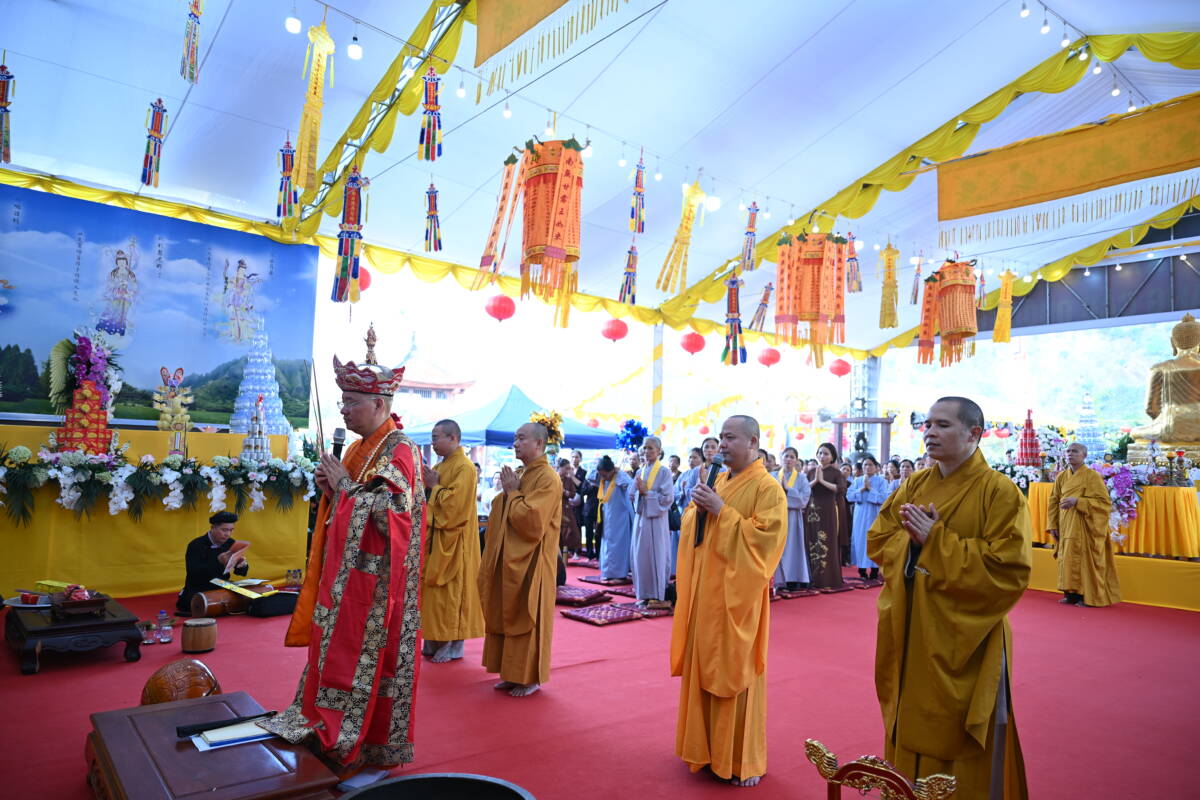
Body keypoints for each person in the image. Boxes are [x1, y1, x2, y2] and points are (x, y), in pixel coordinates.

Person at [264, 341, 425, 783]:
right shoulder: (358, 449)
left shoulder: (400, 450)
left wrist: (345, 489)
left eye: (352, 402)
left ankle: (366, 752)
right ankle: (329, 732)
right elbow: (349, 504)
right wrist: (332, 490)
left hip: (378, 591)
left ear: (379, 404)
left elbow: (394, 515)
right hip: (346, 583)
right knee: (334, 657)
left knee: (369, 665)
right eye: (342, 402)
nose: (344, 411)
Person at [867, 396, 1031, 798]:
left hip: (966, 638)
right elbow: (879, 539)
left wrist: (935, 541)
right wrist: (914, 544)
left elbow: (1009, 570)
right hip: (913, 627)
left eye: (942, 425)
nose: (930, 432)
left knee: (957, 730)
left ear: (974, 434)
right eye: (927, 424)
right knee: (909, 714)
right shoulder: (915, 485)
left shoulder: (1000, 492)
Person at [671, 415, 786, 788]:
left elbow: (765, 544)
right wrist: (697, 510)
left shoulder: (768, 489)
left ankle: (739, 759)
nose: (722, 444)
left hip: (737, 599)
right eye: (720, 437)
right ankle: (705, 751)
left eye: (730, 437)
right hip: (706, 595)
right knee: (704, 667)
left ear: (753, 442)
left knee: (735, 671)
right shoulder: (718, 479)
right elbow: (694, 529)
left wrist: (722, 511)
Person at [478, 421, 562, 698]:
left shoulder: (548, 478)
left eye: (521, 438)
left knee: (528, 615)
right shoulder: (520, 474)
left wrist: (513, 493)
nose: (515, 443)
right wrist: (508, 493)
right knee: (506, 611)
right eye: (515, 438)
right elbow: (502, 510)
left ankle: (529, 677)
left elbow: (532, 522)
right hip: (510, 558)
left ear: (539, 443)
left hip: (533, 561)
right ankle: (509, 672)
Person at [420, 419, 485, 664]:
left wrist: (434, 487)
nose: (433, 443)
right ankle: (434, 638)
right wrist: (428, 488)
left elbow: (455, 507)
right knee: (434, 594)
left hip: (456, 541)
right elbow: (429, 498)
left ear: (454, 438)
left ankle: (452, 643)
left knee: (451, 593)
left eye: (436, 437)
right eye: (432, 438)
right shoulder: (440, 465)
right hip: (437, 538)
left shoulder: (465, 468)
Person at [1048, 443, 1120, 607]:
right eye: (1068, 451)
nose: (1070, 454)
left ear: (1084, 455)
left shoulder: (1092, 476)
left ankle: (1087, 596)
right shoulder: (1061, 476)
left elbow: (1104, 503)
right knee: (1067, 558)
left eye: (1075, 451)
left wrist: (1078, 502)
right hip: (1066, 524)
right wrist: (1052, 524)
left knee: (1085, 560)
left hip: (1085, 525)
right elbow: (1053, 501)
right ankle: (1071, 594)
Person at [175, 511, 249, 615]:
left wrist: (242, 565)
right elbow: (194, 572)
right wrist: (218, 562)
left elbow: (240, 573)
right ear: (213, 528)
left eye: (231, 530)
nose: (228, 534)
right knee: (194, 603)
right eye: (224, 530)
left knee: (249, 595)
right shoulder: (196, 545)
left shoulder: (231, 543)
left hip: (222, 584)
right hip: (199, 586)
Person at [630, 436, 674, 608]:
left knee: (656, 555)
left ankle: (657, 594)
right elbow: (632, 495)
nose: (646, 451)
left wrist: (646, 493)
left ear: (658, 451)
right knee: (640, 556)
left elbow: (667, 499)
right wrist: (639, 494)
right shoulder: (639, 472)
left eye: (650, 448)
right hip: (641, 518)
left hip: (656, 521)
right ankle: (644, 594)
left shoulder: (664, 472)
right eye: (644, 448)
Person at [806, 443, 849, 591]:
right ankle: (812, 578)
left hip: (828, 510)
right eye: (820, 453)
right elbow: (805, 489)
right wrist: (815, 481)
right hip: (812, 510)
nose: (822, 456)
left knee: (828, 541)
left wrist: (822, 481)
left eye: (826, 453)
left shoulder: (836, 473)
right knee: (812, 539)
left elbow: (841, 489)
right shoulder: (811, 472)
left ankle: (828, 578)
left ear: (832, 457)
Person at [773, 447, 812, 591]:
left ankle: (793, 579)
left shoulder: (801, 478)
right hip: (775, 516)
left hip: (793, 518)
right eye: (786, 456)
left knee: (792, 547)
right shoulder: (773, 476)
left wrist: (788, 489)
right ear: (781, 458)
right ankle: (776, 580)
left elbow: (803, 501)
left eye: (792, 457)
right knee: (777, 547)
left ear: (796, 460)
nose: (788, 459)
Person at [592, 455, 635, 583]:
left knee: (619, 546)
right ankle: (608, 572)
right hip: (606, 518)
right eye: (601, 475)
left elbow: (632, 487)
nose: (603, 477)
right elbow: (589, 477)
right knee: (606, 544)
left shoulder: (621, 477)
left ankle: (620, 575)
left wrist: (619, 472)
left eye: (605, 474)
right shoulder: (604, 480)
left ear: (612, 471)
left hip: (620, 519)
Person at [846, 456, 887, 582]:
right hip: (860, 515)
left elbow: (884, 498)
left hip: (875, 514)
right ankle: (862, 570)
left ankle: (874, 570)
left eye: (870, 464)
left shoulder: (881, 481)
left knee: (874, 541)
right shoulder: (857, 480)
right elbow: (849, 496)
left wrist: (870, 489)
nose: (867, 467)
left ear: (876, 467)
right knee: (860, 540)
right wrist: (862, 489)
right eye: (865, 465)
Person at [557, 458, 583, 560]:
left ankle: (568, 555)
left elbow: (573, 494)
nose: (568, 470)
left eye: (569, 468)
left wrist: (566, 492)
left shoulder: (568, 480)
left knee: (571, 532)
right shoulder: (553, 478)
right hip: (554, 508)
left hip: (566, 508)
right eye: (566, 468)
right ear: (560, 467)